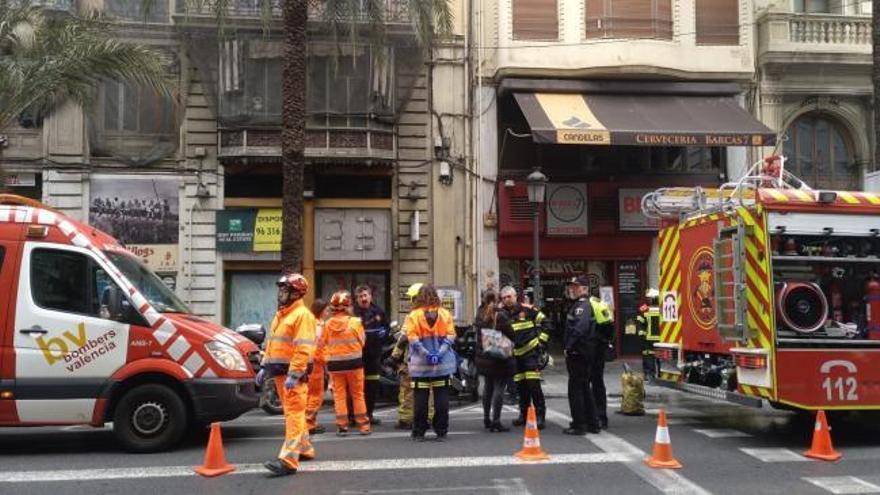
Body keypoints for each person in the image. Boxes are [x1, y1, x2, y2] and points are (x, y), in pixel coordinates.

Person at [258, 273, 318, 476]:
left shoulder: (302, 316)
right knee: (293, 413)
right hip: (280, 374)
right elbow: (273, 344)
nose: (280, 293)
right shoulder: (282, 315)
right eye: (280, 289)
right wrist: (265, 367)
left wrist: (295, 374)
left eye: (285, 290)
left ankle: (288, 460)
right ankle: (305, 449)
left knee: (293, 415)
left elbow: (303, 348)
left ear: (296, 293)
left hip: (292, 376)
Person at [406, 284, 456, 441]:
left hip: (420, 365)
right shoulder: (445, 314)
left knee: (420, 401)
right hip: (442, 365)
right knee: (442, 401)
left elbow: (412, 338)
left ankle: (419, 431)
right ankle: (441, 431)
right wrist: (438, 354)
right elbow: (451, 336)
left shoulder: (413, 316)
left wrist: (426, 354)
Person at [498, 286, 550, 430]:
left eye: (509, 296)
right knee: (520, 387)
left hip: (531, 353)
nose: (507, 299)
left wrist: (541, 343)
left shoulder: (527, 309)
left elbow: (546, 323)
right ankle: (524, 415)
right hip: (515, 355)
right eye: (504, 298)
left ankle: (540, 416)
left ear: (515, 296)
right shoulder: (502, 314)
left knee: (534, 385)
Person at [320, 290, 370, 436]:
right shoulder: (355, 322)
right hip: (354, 363)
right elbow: (363, 341)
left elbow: (323, 344)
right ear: (348, 307)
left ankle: (342, 426)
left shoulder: (327, 324)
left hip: (335, 365)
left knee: (339, 396)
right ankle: (364, 426)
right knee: (358, 395)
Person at [473, 290, 516, 432]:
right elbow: (512, 334)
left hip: (483, 357)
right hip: (499, 357)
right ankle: (496, 420)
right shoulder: (500, 315)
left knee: (488, 387)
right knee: (499, 387)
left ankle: (486, 418)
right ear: (498, 299)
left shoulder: (480, 313)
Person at [563, 275, 600, 435]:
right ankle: (593, 423)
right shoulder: (582, 304)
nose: (573, 289)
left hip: (578, 353)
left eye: (576, 287)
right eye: (572, 286)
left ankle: (579, 424)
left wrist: (569, 347)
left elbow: (580, 328)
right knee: (585, 388)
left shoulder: (582, 306)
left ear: (585, 289)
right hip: (584, 352)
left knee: (575, 389)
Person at [352, 284, 387, 425]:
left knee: (371, 386)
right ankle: (353, 416)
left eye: (365, 295)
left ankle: (369, 414)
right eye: (360, 296)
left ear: (370, 296)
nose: (363, 298)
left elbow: (386, 326)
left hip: (373, 356)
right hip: (356, 356)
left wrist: (384, 333)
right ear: (357, 298)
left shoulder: (378, 311)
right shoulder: (352, 313)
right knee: (355, 388)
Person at [588, 291, 614, 429]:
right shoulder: (596, 304)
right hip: (593, 351)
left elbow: (608, 327)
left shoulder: (595, 305)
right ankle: (597, 416)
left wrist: (600, 343)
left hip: (594, 351)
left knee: (595, 384)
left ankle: (599, 416)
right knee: (595, 383)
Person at [306, 298, 329, 435]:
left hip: (312, 363)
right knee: (316, 395)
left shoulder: (313, 323)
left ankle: (310, 422)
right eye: (326, 309)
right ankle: (309, 423)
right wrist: (325, 362)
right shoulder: (318, 326)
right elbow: (319, 347)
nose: (327, 312)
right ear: (320, 310)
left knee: (310, 395)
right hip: (316, 364)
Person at [637, 289, 661, 381]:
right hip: (660, 339)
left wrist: (641, 335)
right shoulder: (662, 308)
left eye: (649, 298)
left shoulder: (644, 309)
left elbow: (640, 323)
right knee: (659, 356)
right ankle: (659, 373)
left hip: (648, 338)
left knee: (648, 355)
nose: (648, 299)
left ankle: (649, 373)